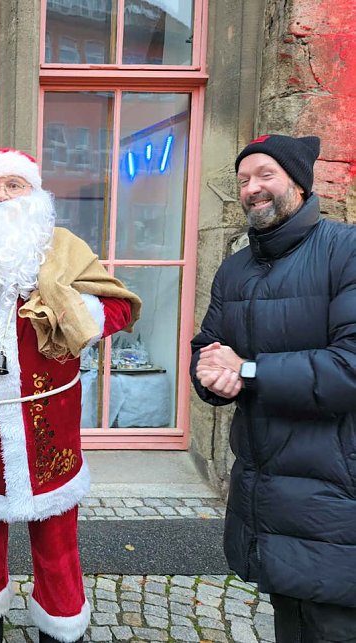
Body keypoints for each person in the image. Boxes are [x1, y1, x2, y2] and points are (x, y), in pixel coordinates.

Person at [0, 148, 142, 643]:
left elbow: (120, 308)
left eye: (14, 186)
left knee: (56, 541)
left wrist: (74, 311)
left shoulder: (64, 250)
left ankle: (60, 627)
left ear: (35, 192)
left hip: (50, 422)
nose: (3, 197)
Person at [191, 134, 356, 642]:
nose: (252, 189)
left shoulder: (346, 250)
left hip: (335, 489)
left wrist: (247, 372)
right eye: (243, 180)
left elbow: (349, 368)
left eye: (266, 175)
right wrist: (212, 376)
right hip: (265, 489)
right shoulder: (236, 268)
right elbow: (210, 346)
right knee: (291, 619)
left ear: (300, 183)